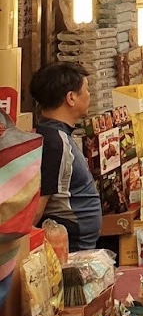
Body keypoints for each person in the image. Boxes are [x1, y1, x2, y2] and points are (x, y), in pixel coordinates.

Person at [31, 62, 101, 252]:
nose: (89, 96)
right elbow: (37, 207)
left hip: (78, 244)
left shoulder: (58, 136)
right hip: (69, 248)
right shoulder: (55, 143)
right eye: (86, 90)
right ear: (71, 98)